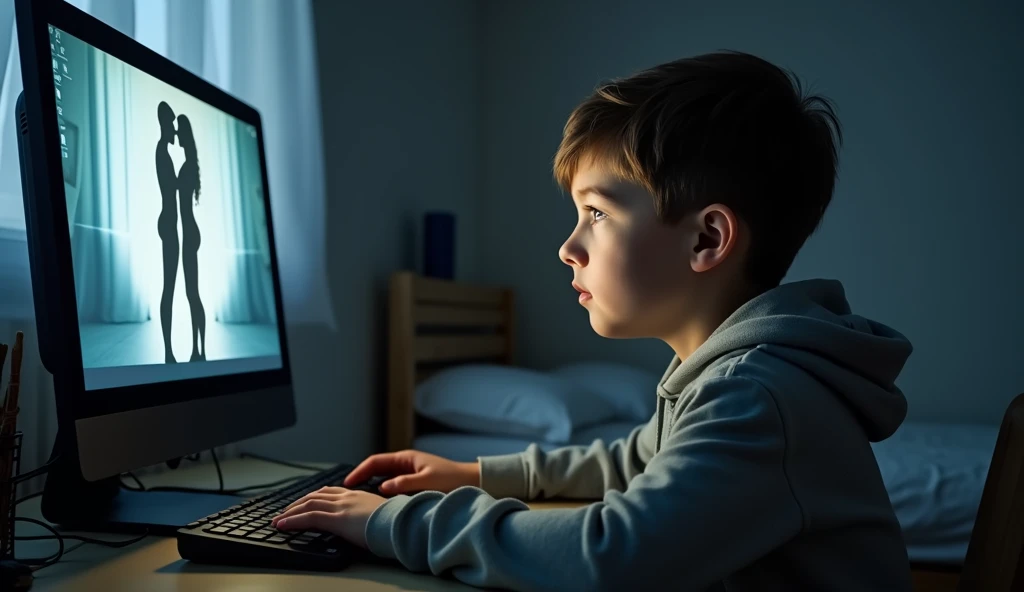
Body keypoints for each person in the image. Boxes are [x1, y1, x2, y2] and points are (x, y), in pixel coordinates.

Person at [271, 51, 914, 591]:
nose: (568, 246)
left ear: (706, 240)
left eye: (597, 214)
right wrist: (474, 473)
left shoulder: (757, 396)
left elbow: (608, 555)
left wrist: (392, 523)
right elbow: (632, 461)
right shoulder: (732, 374)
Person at [175, 114, 206, 362]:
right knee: (192, 293)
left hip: (188, 234)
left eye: (178, 131)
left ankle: (199, 350)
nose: (176, 134)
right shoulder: (189, 165)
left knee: (192, 293)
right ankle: (199, 350)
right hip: (191, 231)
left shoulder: (186, 168)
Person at [155, 101, 179, 364]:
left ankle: (169, 349)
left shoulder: (165, 152)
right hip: (168, 224)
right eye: (172, 124)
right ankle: (168, 350)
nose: (174, 130)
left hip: (170, 223)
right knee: (169, 287)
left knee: (170, 285)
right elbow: (171, 188)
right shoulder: (162, 151)